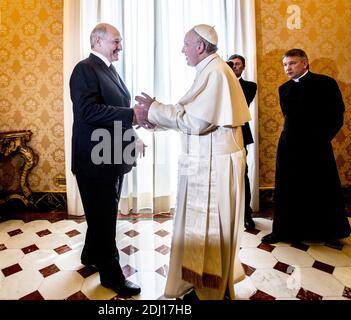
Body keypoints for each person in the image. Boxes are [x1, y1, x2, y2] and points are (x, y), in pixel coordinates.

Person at [135, 24, 251, 300]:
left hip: (215, 167)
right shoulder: (210, 70)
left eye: (186, 45)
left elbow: (197, 122)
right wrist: (155, 120)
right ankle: (200, 283)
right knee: (197, 231)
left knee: (209, 232)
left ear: (200, 47)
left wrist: (152, 109)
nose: (182, 50)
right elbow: (190, 115)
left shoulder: (216, 72)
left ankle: (211, 290)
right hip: (204, 163)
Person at [69, 22, 146, 296]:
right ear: (98, 42)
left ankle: (90, 254)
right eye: (116, 42)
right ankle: (111, 276)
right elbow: (88, 112)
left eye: (120, 42)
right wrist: (132, 116)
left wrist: (133, 135)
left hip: (113, 155)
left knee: (104, 213)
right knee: (104, 218)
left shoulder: (109, 70)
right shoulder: (84, 69)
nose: (120, 47)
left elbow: (118, 110)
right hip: (95, 159)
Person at [262, 48, 351, 244]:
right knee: (287, 189)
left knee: (320, 188)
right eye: (285, 64)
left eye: (292, 63)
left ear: (305, 63)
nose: (288, 68)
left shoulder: (325, 83)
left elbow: (337, 115)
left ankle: (327, 232)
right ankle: (283, 231)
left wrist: (322, 139)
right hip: (288, 147)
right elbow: (289, 118)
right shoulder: (283, 89)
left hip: (317, 146)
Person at [228, 54, 257, 230]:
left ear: (243, 67)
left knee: (242, 174)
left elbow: (241, 102)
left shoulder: (249, 86)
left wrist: (230, 79)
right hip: (219, 134)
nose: (235, 66)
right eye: (231, 64)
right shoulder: (221, 83)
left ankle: (247, 214)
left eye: (238, 64)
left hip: (240, 135)